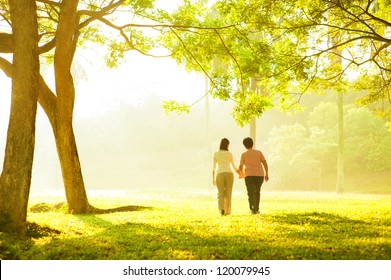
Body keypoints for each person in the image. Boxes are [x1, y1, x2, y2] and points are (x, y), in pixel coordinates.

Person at [239, 137, 269, 215]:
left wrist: (241, 174)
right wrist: (266, 174)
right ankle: (257, 209)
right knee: (257, 192)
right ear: (252, 144)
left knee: (250, 193)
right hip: (259, 175)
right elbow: (265, 163)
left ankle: (253, 209)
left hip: (249, 175)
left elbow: (241, 166)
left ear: (244, 145)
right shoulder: (259, 152)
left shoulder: (244, 154)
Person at [212, 138, 240, 216]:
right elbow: (234, 166)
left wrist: (213, 178)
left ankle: (221, 209)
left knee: (220, 193)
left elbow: (214, 167)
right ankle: (228, 211)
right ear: (227, 145)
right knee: (228, 193)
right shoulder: (229, 154)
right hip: (229, 173)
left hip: (220, 173)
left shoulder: (216, 154)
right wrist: (240, 173)